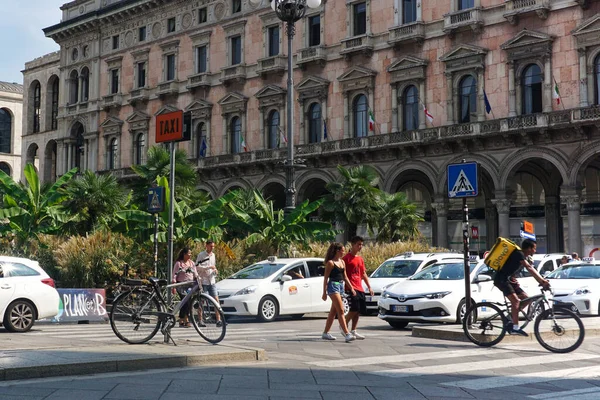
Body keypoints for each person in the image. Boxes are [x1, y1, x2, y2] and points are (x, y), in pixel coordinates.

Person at [493, 239, 550, 336]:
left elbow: (531, 268)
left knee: (526, 299)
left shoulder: (524, 257)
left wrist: (542, 280)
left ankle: (509, 318)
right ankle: (515, 327)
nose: (535, 251)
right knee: (515, 301)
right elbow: (529, 268)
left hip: (510, 280)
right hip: (501, 280)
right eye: (534, 248)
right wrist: (542, 281)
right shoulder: (519, 254)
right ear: (529, 248)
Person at [321, 242, 356, 342]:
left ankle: (325, 333)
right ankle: (347, 333)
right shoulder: (330, 263)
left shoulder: (342, 262)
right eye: (342, 250)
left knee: (333, 311)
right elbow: (325, 278)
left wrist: (352, 288)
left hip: (341, 286)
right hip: (333, 287)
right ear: (337, 251)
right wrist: (324, 292)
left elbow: (345, 277)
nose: (343, 252)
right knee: (341, 310)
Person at [342, 236, 373, 340]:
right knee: (353, 309)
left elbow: (363, 273)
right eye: (358, 244)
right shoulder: (346, 258)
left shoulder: (360, 259)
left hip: (359, 287)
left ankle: (353, 330)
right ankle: (343, 326)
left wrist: (369, 287)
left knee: (358, 310)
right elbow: (343, 274)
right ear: (353, 245)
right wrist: (349, 287)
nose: (360, 246)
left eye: (361, 245)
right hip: (350, 287)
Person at [196, 240, 222, 327]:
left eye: (213, 246)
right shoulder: (201, 255)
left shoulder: (213, 255)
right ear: (206, 246)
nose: (212, 248)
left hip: (212, 280)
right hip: (203, 281)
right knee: (202, 301)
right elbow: (197, 267)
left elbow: (213, 266)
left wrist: (215, 270)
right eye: (211, 246)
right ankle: (200, 320)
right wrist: (208, 267)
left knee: (216, 300)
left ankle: (218, 320)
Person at [172, 247, 195, 327]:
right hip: (181, 285)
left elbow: (195, 273)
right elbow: (174, 275)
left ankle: (184, 319)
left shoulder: (191, 263)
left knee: (188, 302)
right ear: (184, 254)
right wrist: (174, 286)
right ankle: (183, 319)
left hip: (190, 286)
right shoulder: (179, 263)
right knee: (184, 301)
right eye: (189, 253)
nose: (190, 255)